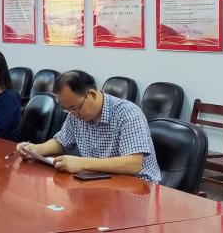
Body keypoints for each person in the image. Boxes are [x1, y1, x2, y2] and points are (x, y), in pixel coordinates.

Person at [17, 70, 161, 182]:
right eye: (68, 110)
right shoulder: (76, 113)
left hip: (136, 186)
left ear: (91, 94)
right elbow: (61, 142)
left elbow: (133, 164)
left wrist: (83, 163)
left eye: (74, 108)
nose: (72, 114)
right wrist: (36, 150)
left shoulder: (128, 113)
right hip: (99, 180)